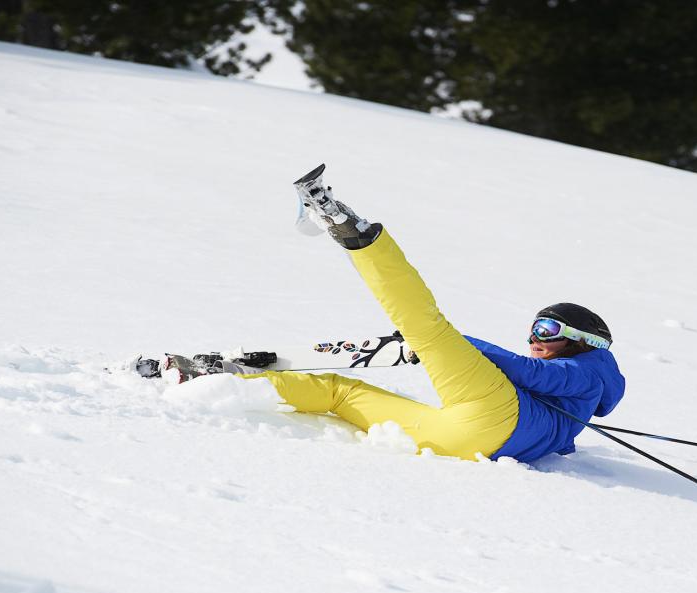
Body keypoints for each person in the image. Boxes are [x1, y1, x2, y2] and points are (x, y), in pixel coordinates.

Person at [238, 164, 625, 463]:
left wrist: (445, 345)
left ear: (583, 341)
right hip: (461, 442)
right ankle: (232, 385)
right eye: (534, 328)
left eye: (547, 328)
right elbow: (557, 433)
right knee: (341, 394)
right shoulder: (574, 409)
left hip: (499, 413)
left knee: (426, 326)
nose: (534, 339)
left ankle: (353, 231)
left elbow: (530, 373)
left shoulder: (594, 368)